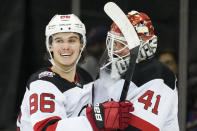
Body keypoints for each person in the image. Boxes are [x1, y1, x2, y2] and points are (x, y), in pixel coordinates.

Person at [16, 14, 134, 131]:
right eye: (59, 41)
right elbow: (47, 129)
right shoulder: (42, 83)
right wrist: (95, 119)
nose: (66, 47)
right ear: (50, 46)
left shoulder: (85, 77)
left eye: (72, 40)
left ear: (81, 45)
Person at [90, 10, 179, 130]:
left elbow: (142, 128)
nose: (115, 49)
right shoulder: (110, 72)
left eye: (123, 44)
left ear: (144, 45)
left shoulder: (158, 76)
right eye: (114, 43)